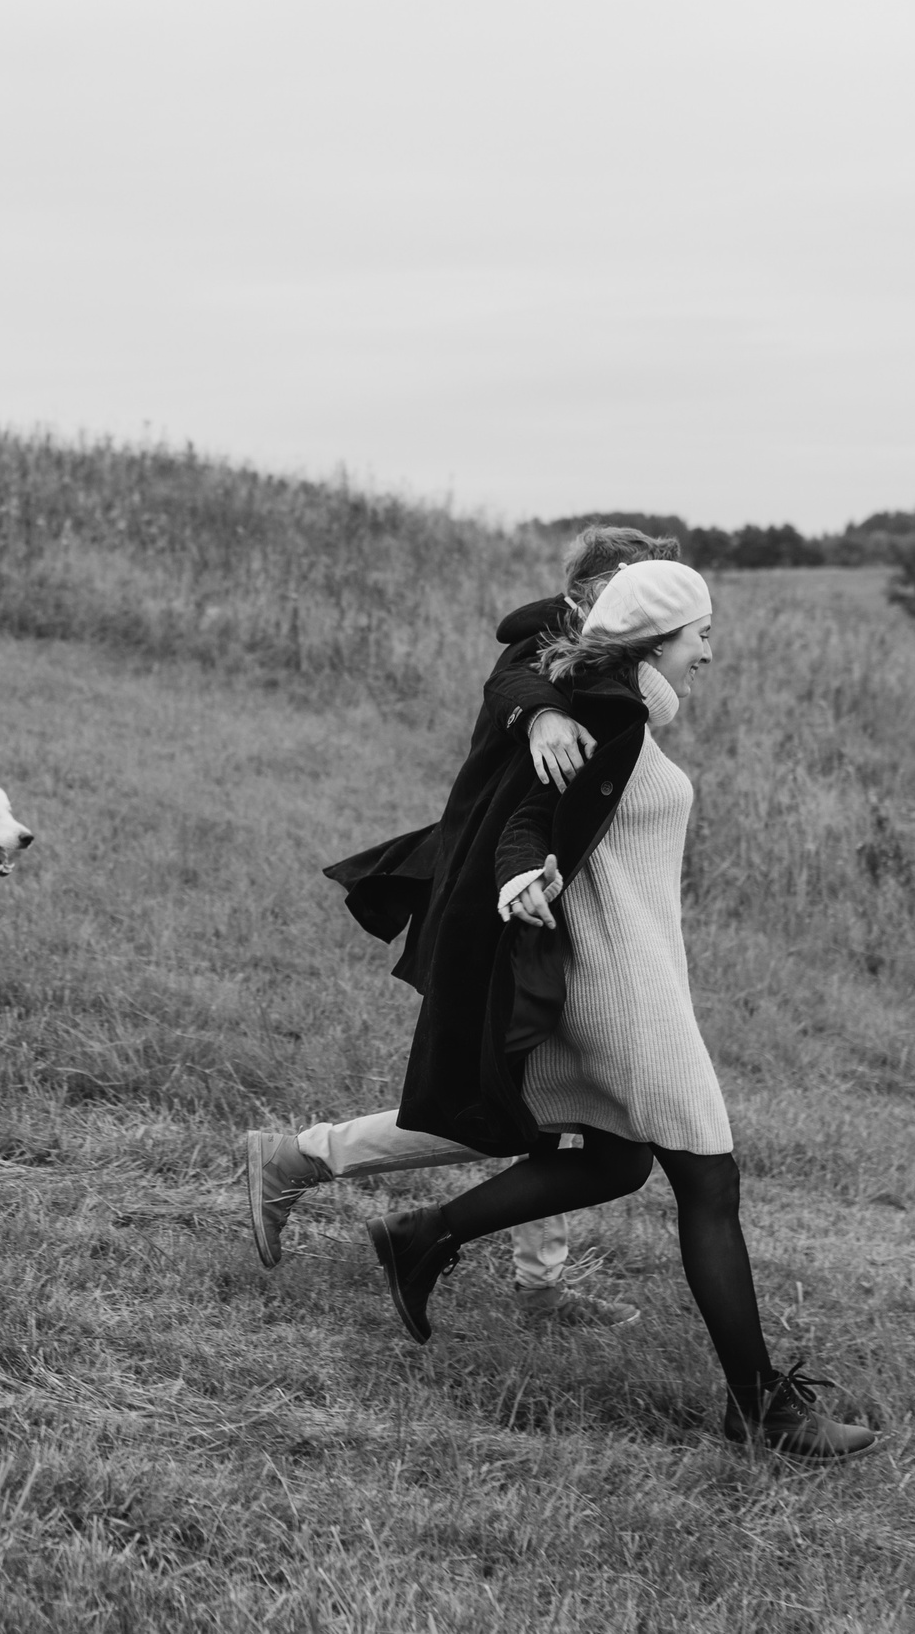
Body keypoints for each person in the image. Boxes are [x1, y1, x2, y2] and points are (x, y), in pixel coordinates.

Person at [363, 560, 881, 1460]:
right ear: (655, 639)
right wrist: (521, 868)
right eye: (700, 634)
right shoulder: (608, 710)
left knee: (615, 1160)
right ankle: (761, 1404)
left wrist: (552, 696)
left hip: (640, 968)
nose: (710, 653)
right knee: (709, 1182)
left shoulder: (600, 696)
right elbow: (529, 812)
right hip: (621, 985)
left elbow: (534, 637)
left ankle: (423, 1234)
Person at [242, 527, 679, 1326]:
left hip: (561, 911)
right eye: (631, 583)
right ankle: (301, 1156)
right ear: (593, 588)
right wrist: (545, 715)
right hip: (505, 905)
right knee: (507, 1111)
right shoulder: (546, 643)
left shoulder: (619, 666)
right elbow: (514, 676)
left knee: (562, 1113)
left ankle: (538, 1282)